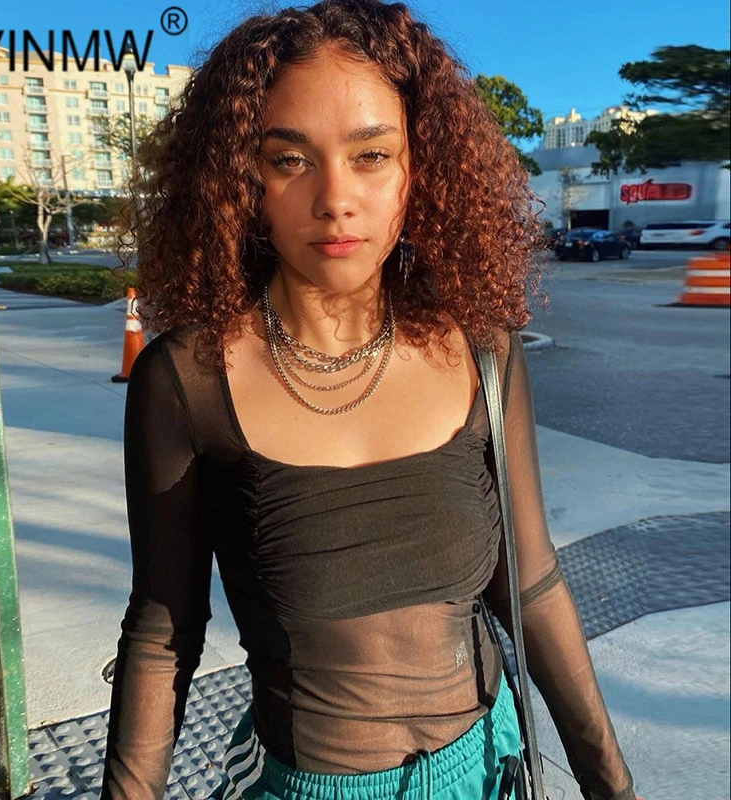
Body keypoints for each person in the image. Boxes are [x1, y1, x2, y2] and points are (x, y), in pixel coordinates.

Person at [99, 1, 639, 798]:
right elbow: (162, 633)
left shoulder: (482, 349)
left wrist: (611, 785)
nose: (335, 198)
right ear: (244, 180)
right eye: (289, 159)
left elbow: (527, 582)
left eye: (372, 155)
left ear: (420, 169)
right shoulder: (190, 381)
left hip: (486, 771)